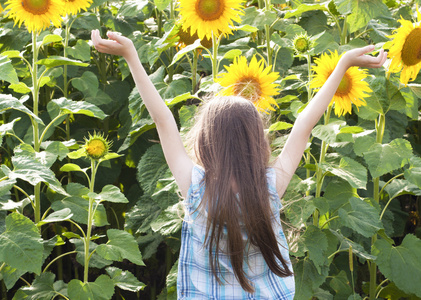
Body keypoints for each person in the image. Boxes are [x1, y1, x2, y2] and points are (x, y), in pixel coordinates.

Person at [91, 29, 387, 299]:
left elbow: (162, 119)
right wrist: (343, 63)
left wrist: (131, 55)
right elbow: (304, 124)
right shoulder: (270, 187)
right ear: (257, 142)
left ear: (205, 142)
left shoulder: (195, 188)